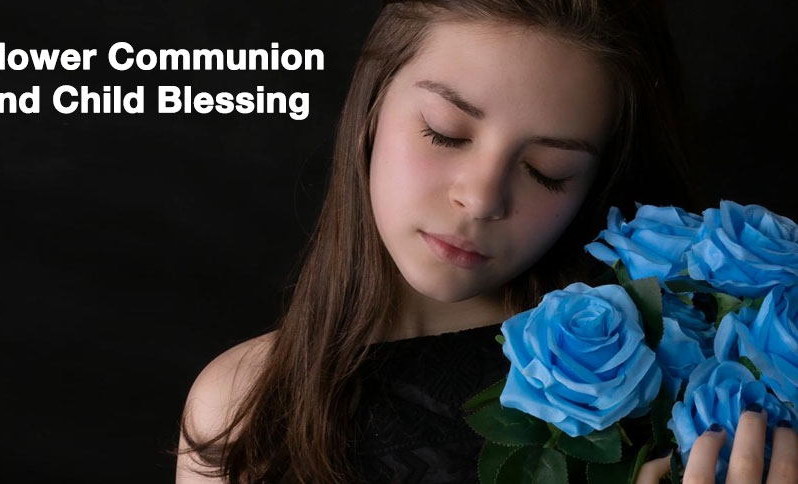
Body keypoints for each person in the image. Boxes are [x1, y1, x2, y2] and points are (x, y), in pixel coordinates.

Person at [172, 1, 795, 483]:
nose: (481, 198)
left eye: (547, 170)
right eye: (445, 133)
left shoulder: (671, 388)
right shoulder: (245, 402)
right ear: (370, 108)